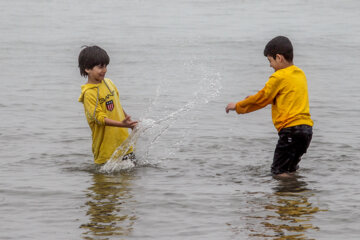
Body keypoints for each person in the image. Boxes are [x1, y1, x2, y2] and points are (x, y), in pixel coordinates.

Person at [226, 36, 313, 177]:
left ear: (279, 58)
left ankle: (285, 196)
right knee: (289, 169)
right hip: (306, 131)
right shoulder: (300, 74)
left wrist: (238, 106)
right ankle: (296, 196)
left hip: (290, 131)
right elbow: (281, 98)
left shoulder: (278, 76)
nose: (270, 65)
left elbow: (262, 98)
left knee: (278, 171)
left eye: (270, 60)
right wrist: (255, 100)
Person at [78, 46, 138, 165]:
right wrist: (121, 124)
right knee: (105, 183)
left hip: (124, 145)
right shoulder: (89, 93)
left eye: (106, 66)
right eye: (100, 67)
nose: (104, 70)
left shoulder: (109, 83)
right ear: (87, 69)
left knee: (131, 181)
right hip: (106, 153)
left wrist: (130, 123)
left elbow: (117, 105)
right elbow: (100, 119)